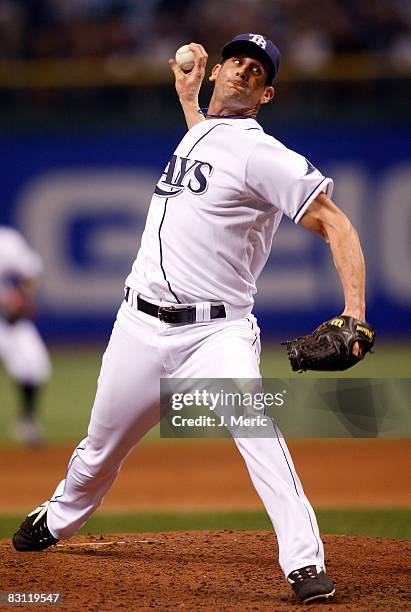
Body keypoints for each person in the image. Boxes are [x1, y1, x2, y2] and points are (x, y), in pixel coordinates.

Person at [13, 33, 369, 604]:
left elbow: (337, 223)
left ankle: (304, 562)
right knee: (99, 448)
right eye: (235, 62)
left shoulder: (262, 153)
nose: (242, 72)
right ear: (217, 72)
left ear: (266, 93)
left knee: (258, 433)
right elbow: (210, 151)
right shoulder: (203, 129)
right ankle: (58, 518)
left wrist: (354, 312)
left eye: (256, 70)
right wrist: (188, 100)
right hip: (138, 324)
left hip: (216, 333)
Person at [0, 225, 51, 445]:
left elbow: (32, 270)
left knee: (34, 366)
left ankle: (27, 421)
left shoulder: (6, 239)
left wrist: (22, 295)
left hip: (7, 321)